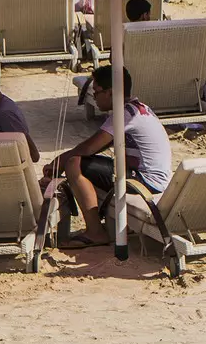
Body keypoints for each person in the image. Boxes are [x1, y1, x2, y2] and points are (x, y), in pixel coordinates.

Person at [50, 64, 172, 246]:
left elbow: (88, 149)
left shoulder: (124, 115)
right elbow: (97, 146)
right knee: (81, 162)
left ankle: (95, 232)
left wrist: (60, 160)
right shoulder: (138, 109)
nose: (94, 97)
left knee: (74, 163)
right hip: (156, 178)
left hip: (145, 182)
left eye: (96, 92)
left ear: (110, 92)